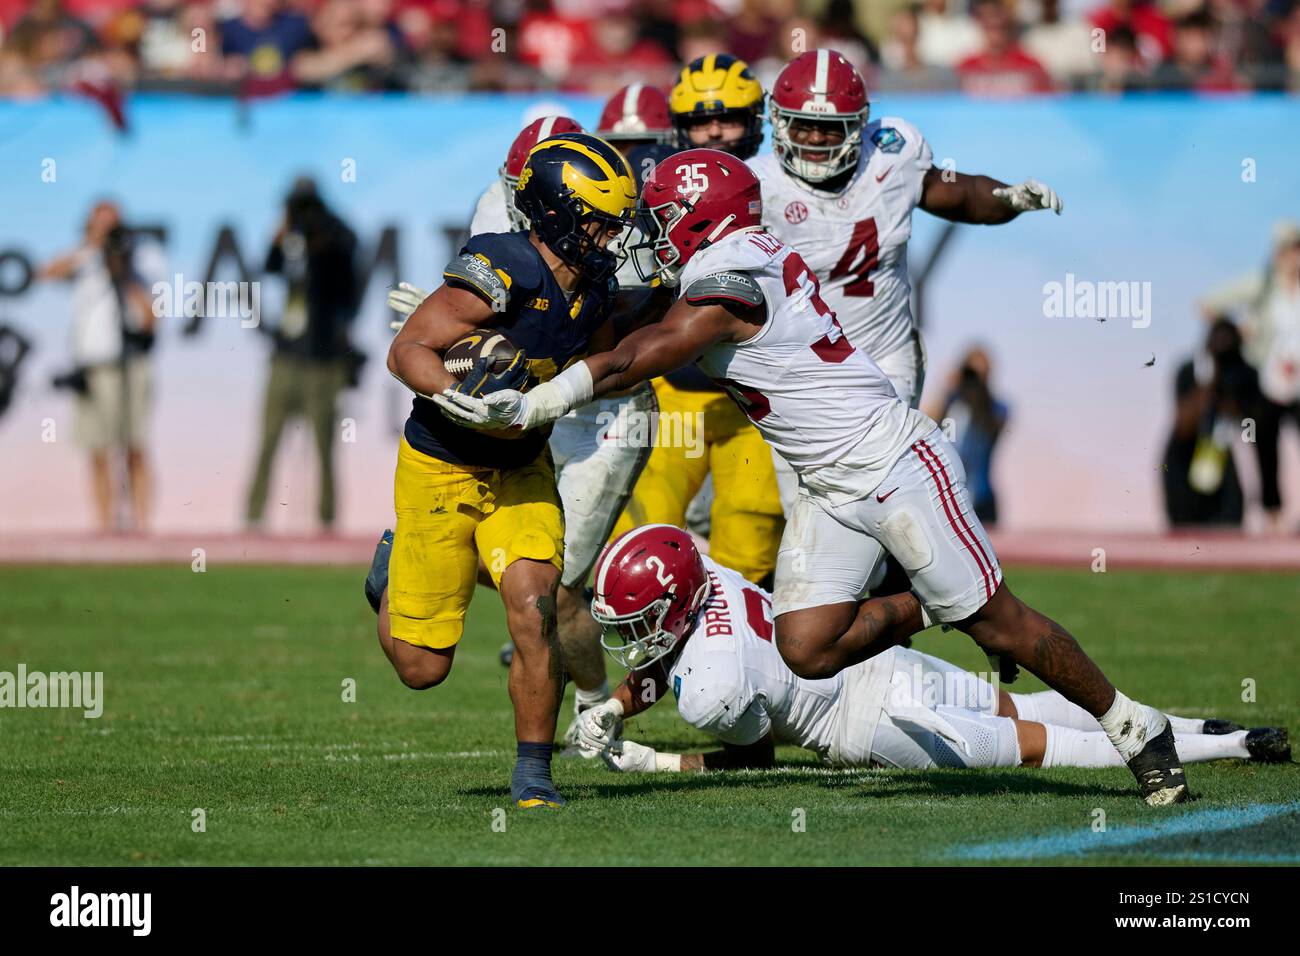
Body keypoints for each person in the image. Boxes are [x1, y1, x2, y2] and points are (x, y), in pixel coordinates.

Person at [434, 150, 1193, 806]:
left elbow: (638, 354)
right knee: (806, 645)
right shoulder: (731, 258)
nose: (647, 234)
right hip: (831, 483)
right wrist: (509, 326)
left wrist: (535, 398)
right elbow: (629, 323)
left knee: (1000, 622)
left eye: (661, 217)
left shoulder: (728, 285)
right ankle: (936, 606)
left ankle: (1132, 722)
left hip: (893, 462)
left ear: (700, 220)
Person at [573, 525, 1290, 773]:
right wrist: (619, 702)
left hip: (871, 721)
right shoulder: (715, 576)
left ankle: (1222, 750)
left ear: (674, 607)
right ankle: (1209, 728)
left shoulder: (711, 689)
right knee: (1026, 707)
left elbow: (754, 753)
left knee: (1035, 745)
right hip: (874, 659)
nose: (630, 641)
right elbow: (677, 656)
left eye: (636, 622)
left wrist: (659, 758)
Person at [382, 114, 662, 749]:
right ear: (552, 209)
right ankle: (397, 571)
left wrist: (655, 318)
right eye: (599, 220)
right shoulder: (501, 242)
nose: (613, 235)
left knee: (544, 597)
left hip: (546, 442)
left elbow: (605, 361)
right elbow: (418, 347)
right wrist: (457, 385)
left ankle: (544, 764)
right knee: (422, 667)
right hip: (454, 451)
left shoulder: (595, 281)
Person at [752, 48, 1057, 517]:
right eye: (802, 125)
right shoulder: (759, 185)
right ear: (778, 121)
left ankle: (903, 581)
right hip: (797, 370)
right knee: (807, 510)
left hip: (883, 355)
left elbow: (961, 194)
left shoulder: (892, 154)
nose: (814, 138)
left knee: (880, 495)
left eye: (829, 128)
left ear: (857, 126)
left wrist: (1007, 198)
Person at [609, 52, 785, 587]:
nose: (715, 131)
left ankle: (739, 653)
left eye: (728, 117)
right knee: (640, 531)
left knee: (750, 542)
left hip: (752, 392)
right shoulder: (654, 176)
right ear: (678, 127)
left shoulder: (786, 180)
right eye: (702, 120)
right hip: (675, 390)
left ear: (755, 120)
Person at [38, 200, 163, 532]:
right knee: (98, 448)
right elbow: (46, 273)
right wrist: (92, 250)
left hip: (131, 365)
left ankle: (141, 523)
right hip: (93, 367)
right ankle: (104, 526)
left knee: (134, 444)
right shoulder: (83, 259)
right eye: (101, 226)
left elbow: (153, 317)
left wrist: (122, 271)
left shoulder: (140, 260)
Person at [245, 178, 361, 532]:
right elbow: (269, 265)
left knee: (324, 444)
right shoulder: (291, 238)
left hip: (323, 357)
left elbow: (346, 279)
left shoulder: (337, 235)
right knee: (268, 437)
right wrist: (285, 231)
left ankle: (326, 519)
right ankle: (253, 517)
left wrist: (321, 235)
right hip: (288, 354)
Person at [1199, 219, 1300, 531]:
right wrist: (1240, 330)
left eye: (1294, 249)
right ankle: (1273, 519)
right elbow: (1208, 304)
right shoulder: (1262, 285)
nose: (1289, 257)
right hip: (1267, 383)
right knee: (1266, 453)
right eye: (1283, 250)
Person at [930, 347, 1007, 526]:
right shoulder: (951, 405)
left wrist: (981, 394)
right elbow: (927, 420)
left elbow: (1001, 420)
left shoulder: (994, 409)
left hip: (982, 499)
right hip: (949, 497)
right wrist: (947, 388)